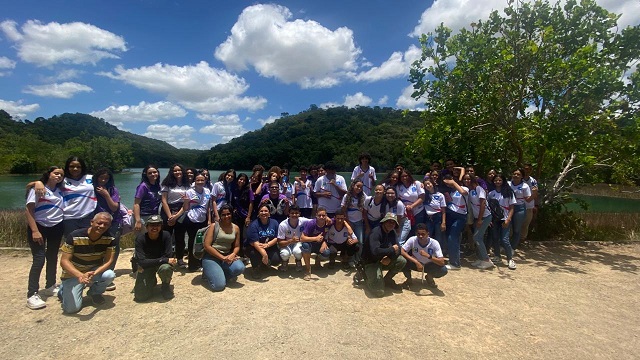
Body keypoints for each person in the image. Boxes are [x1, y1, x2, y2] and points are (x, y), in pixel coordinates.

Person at [58, 212, 116, 314]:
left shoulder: (110, 239)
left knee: (109, 275)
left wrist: (94, 273)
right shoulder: (74, 236)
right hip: (74, 274)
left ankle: (95, 293)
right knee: (72, 309)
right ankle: (63, 290)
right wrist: (80, 275)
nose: (102, 226)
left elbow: (108, 261)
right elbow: (64, 261)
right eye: (99, 223)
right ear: (92, 222)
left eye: (106, 224)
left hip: (92, 272)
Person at [25, 166, 65, 310]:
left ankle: (50, 285)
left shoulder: (60, 189)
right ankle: (32, 294)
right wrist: (35, 230)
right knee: (39, 259)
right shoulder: (38, 189)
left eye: (61, 174)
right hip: (39, 226)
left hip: (56, 226)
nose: (59, 176)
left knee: (53, 256)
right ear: (48, 174)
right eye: (56, 173)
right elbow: (29, 210)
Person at [361, 212, 407, 297]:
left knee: (402, 261)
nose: (391, 224)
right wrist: (391, 249)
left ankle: (387, 279)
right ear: (384, 222)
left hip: (383, 260)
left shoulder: (392, 232)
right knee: (379, 291)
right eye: (389, 221)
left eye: (393, 222)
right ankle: (366, 276)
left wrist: (390, 257)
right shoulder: (376, 232)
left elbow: (399, 249)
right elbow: (375, 252)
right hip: (371, 262)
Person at [201, 204, 245, 291]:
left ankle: (219, 273)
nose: (226, 216)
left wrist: (233, 254)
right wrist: (223, 258)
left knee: (240, 268)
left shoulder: (236, 228)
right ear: (220, 216)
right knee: (219, 286)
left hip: (227, 256)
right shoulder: (214, 226)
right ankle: (208, 272)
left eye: (228, 214)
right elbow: (207, 246)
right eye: (223, 215)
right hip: (211, 257)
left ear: (232, 214)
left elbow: (237, 246)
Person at [93, 168, 123, 291]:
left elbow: (115, 207)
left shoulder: (112, 190)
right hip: (96, 222)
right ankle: (96, 274)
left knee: (113, 249)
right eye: (101, 178)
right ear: (96, 178)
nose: (104, 180)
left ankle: (108, 275)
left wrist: (106, 195)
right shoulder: (90, 189)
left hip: (113, 222)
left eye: (106, 178)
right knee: (96, 248)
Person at [133, 215, 176, 301]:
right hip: (146, 267)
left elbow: (168, 255)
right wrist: (163, 260)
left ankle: (165, 286)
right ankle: (151, 280)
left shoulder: (166, 235)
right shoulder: (140, 239)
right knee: (140, 297)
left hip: (156, 264)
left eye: (157, 225)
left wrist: (164, 260)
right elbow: (141, 262)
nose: (155, 227)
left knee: (166, 268)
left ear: (161, 226)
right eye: (152, 225)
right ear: (147, 227)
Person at [401, 223, 448, 289]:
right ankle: (408, 279)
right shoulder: (412, 240)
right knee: (402, 260)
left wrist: (428, 256)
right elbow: (402, 251)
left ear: (428, 234)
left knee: (443, 270)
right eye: (418, 234)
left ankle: (429, 277)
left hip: (429, 264)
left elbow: (442, 262)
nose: (420, 236)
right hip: (416, 263)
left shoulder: (434, 243)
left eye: (423, 234)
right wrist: (416, 262)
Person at [160, 163, 189, 268]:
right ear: (172, 172)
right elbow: (163, 200)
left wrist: (177, 216)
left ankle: (180, 259)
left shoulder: (187, 185)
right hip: (167, 211)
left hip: (181, 212)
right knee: (166, 236)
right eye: (175, 171)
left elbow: (186, 203)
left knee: (180, 237)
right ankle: (167, 258)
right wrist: (170, 216)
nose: (177, 172)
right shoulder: (166, 184)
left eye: (179, 170)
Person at [464, 174, 494, 269]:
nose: (467, 180)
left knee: (477, 237)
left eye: (469, 179)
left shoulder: (479, 189)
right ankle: (481, 258)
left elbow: (483, 204)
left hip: (485, 216)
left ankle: (486, 259)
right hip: (478, 217)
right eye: (465, 179)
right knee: (478, 237)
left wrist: (480, 219)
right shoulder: (470, 190)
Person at [183, 173, 211, 272]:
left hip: (203, 219)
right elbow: (185, 208)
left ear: (205, 181)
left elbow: (208, 207)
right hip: (192, 219)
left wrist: (209, 220)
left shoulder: (207, 191)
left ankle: (201, 262)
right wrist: (186, 201)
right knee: (192, 242)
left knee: (203, 242)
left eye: (202, 180)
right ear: (195, 181)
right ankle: (192, 265)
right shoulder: (189, 192)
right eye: (198, 180)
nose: (200, 182)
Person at [488, 173, 517, 270]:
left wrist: (508, 219)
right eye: (496, 180)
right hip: (495, 219)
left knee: (504, 239)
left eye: (500, 180)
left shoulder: (509, 192)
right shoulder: (491, 193)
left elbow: (512, 207)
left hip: (505, 219)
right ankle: (497, 256)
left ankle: (510, 259)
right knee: (495, 238)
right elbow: (489, 207)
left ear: (503, 181)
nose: (497, 182)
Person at [245, 205, 281, 279]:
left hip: (269, 246)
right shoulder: (253, 225)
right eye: (261, 211)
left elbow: (277, 237)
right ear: (258, 213)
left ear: (269, 213)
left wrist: (267, 245)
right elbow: (255, 243)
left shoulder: (274, 223)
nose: (263, 213)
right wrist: (264, 255)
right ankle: (255, 269)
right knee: (253, 253)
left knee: (276, 259)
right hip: (255, 247)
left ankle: (264, 265)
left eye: (266, 211)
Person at [443, 174, 469, 270]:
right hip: (450, 215)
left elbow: (463, 192)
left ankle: (455, 263)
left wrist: (453, 182)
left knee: (452, 238)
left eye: (448, 182)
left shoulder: (464, 188)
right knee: (453, 239)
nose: (448, 184)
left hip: (460, 216)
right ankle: (454, 260)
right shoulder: (450, 191)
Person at [300, 207, 332, 281]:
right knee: (305, 246)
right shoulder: (311, 223)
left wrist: (324, 242)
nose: (321, 217)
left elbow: (340, 219)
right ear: (316, 215)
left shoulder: (328, 223)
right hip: (310, 244)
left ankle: (317, 261)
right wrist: (315, 238)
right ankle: (308, 270)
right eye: (319, 215)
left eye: (323, 215)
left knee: (326, 253)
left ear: (326, 216)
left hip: (320, 244)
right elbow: (302, 238)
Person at [276, 205, 308, 272]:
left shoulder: (303, 221)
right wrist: (291, 241)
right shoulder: (283, 225)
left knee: (298, 252)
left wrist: (328, 219)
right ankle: (285, 262)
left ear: (299, 213)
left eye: (296, 213)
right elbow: (280, 243)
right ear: (288, 213)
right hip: (286, 243)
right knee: (285, 254)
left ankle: (298, 261)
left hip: (298, 243)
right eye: (292, 213)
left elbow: (315, 220)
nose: (294, 215)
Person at [397, 169, 426, 243]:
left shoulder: (417, 183)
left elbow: (422, 197)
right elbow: (397, 198)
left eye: (406, 176)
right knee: (406, 232)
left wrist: (412, 206)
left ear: (409, 176)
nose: (404, 178)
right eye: (402, 176)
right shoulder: (399, 186)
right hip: (406, 213)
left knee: (417, 230)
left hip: (418, 211)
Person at [509, 168, 532, 251]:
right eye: (514, 174)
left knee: (516, 229)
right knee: (507, 228)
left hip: (519, 208)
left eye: (518, 174)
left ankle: (513, 247)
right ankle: (504, 245)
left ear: (522, 176)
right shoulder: (508, 184)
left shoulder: (525, 186)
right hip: (508, 207)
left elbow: (528, 199)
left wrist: (535, 194)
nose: (516, 175)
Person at [133, 165, 162, 232]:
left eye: (155, 172)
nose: (153, 174)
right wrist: (138, 220)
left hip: (155, 216)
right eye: (150, 173)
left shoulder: (158, 186)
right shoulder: (143, 186)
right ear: (146, 175)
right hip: (143, 216)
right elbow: (136, 204)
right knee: (143, 238)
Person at [341, 179, 366, 255]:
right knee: (350, 240)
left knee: (360, 241)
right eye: (357, 186)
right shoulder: (347, 196)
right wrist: (347, 221)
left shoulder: (363, 196)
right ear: (353, 186)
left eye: (361, 187)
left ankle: (358, 259)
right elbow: (343, 209)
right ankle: (350, 258)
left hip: (359, 222)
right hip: (349, 221)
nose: (359, 188)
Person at [422, 178, 447, 249]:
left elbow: (443, 210)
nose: (428, 186)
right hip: (428, 218)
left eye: (429, 183)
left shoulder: (440, 195)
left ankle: (439, 253)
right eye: (426, 185)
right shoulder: (425, 195)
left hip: (438, 217)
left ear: (432, 184)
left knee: (438, 236)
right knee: (427, 235)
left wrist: (443, 222)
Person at [231, 172, 254, 245]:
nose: (242, 181)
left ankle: (243, 250)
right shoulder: (234, 189)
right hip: (236, 215)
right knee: (236, 232)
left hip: (245, 215)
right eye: (240, 179)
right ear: (237, 179)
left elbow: (251, 203)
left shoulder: (248, 191)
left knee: (244, 233)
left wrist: (248, 217)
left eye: (244, 180)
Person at [521, 163, 538, 244]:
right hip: (518, 205)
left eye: (529, 169)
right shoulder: (518, 179)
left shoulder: (533, 181)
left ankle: (522, 240)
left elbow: (535, 193)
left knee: (525, 224)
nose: (527, 171)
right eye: (526, 169)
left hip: (529, 205)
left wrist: (536, 205)